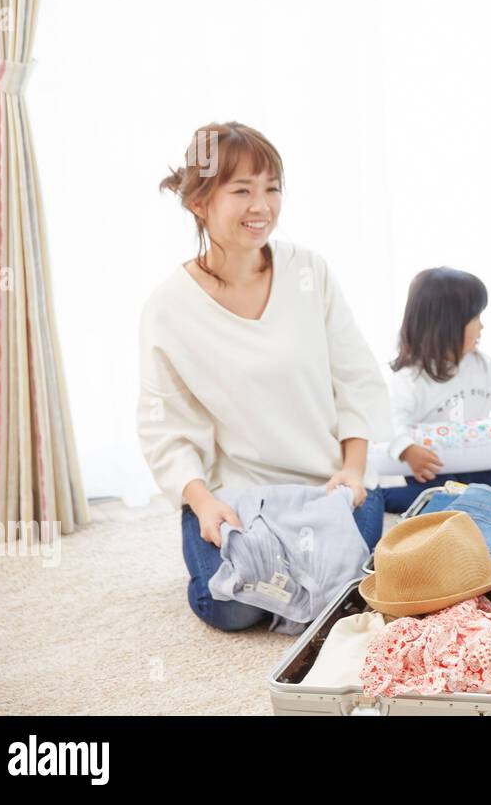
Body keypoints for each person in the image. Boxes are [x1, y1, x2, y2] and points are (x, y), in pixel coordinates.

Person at [137, 122, 396, 632]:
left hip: (327, 487)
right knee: (232, 608)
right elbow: (164, 424)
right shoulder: (169, 308)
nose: (262, 206)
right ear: (199, 202)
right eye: (242, 191)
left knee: (346, 595)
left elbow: (356, 375)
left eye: (271, 188)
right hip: (237, 497)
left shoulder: (309, 272)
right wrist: (203, 502)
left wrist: (354, 469)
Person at [385, 267, 491, 511]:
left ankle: (472, 500)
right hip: (433, 468)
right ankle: (381, 497)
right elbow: (390, 421)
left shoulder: (482, 364)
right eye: (476, 318)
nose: (482, 327)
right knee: (437, 499)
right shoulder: (411, 378)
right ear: (448, 324)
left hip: (479, 462)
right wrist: (406, 450)